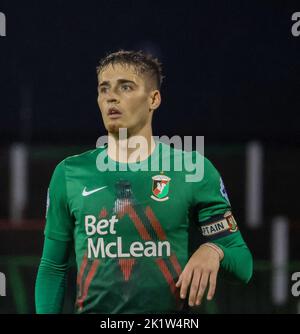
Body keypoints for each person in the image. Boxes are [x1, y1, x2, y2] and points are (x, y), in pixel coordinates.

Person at [35, 50, 253, 314]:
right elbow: (52, 267)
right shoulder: (69, 173)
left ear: (154, 99)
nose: (111, 97)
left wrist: (213, 251)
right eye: (104, 89)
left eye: (125, 87)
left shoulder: (193, 170)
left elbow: (243, 264)